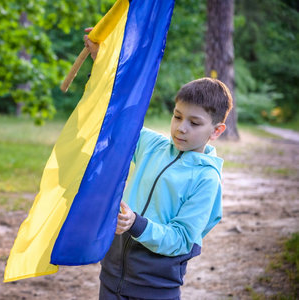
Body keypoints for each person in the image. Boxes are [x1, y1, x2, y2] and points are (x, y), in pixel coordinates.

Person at [84, 31, 233, 300]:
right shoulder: (152, 145)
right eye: (177, 117)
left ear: (217, 130)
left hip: (154, 288)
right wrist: (102, 64)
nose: (181, 128)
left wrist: (136, 224)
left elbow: (181, 238)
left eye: (194, 123)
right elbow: (119, 114)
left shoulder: (206, 179)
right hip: (111, 275)